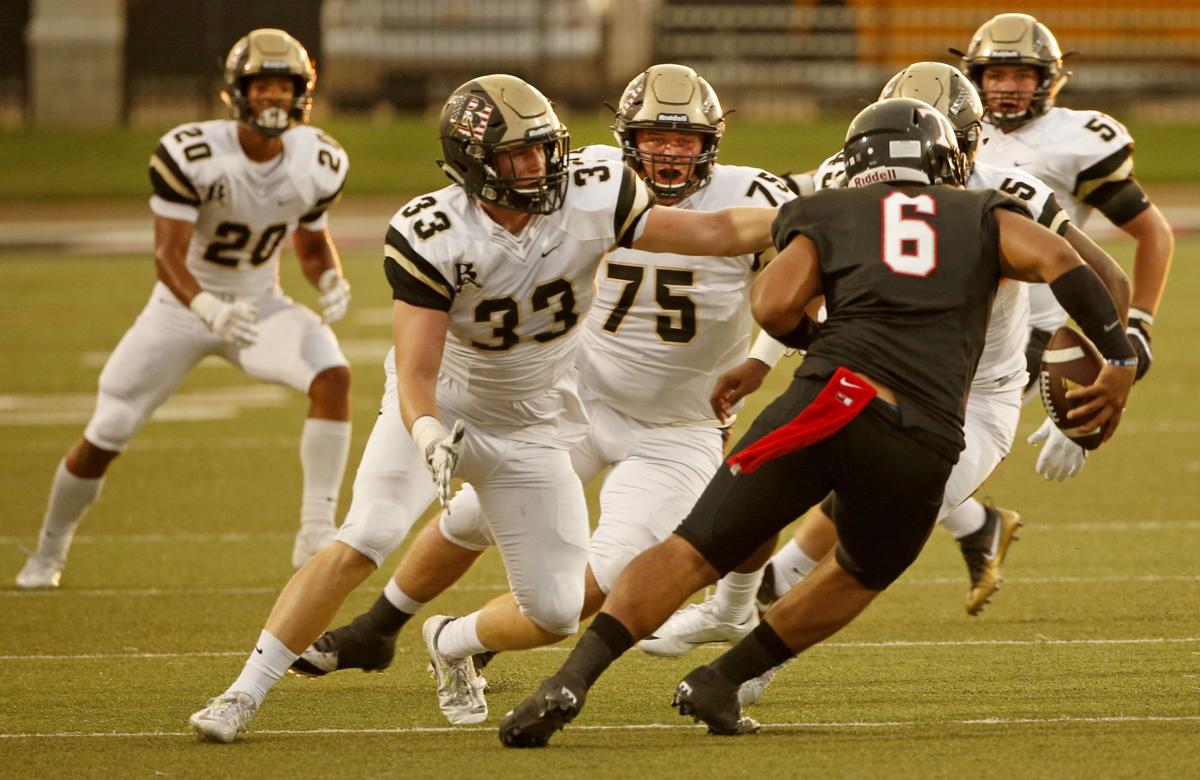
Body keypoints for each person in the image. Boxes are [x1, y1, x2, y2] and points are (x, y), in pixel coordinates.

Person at [498, 97, 1136, 746]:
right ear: (946, 161)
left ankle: (572, 678)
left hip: (826, 399)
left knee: (693, 547)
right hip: (921, 429)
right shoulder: (981, 211)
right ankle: (724, 678)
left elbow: (772, 303)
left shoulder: (826, 208)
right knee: (862, 569)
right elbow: (1065, 265)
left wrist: (817, 339)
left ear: (855, 161)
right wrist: (1117, 355)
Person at [188, 72, 779, 743]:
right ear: (474, 165)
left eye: (544, 149)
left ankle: (445, 640)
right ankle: (242, 693)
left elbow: (718, 228)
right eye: (518, 156)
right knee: (369, 533)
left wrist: (802, 215)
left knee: (559, 610)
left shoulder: (594, 193)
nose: (539, 167)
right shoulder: (432, 231)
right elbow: (415, 369)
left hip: (535, 421)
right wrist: (428, 430)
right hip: (448, 408)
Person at [641, 61, 1132, 662]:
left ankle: (748, 663)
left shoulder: (1012, 193)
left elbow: (1104, 277)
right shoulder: (847, 179)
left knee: (863, 527)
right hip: (872, 364)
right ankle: (733, 611)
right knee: (779, 483)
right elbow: (802, 270)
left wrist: (1112, 376)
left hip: (973, 395)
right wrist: (766, 360)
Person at [15, 28, 353, 590]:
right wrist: (208, 307)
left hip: (258, 304)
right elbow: (167, 256)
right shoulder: (193, 153)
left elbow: (312, 244)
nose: (273, 97)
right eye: (262, 85)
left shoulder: (320, 159)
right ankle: (48, 552)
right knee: (109, 428)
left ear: (302, 93)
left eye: (283, 86)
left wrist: (330, 278)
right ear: (238, 93)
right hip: (180, 306)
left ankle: (315, 530)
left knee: (334, 376)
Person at [959, 12, 1173, 514]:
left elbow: (1152, 233)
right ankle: (978, 528)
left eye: (1021, 75)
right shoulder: (951, 129)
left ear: (1047, 79)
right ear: (976, 79)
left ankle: (788, 572)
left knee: (934, 448)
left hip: (1028, 330)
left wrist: (1136, 325)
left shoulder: (1075, 140)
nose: (1007, 88)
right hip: (953, 314)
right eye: (995, 75)